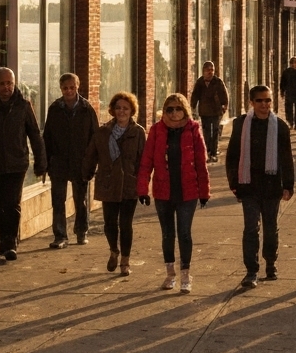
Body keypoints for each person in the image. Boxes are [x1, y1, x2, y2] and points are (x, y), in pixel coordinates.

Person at [0, 67, 47, 261]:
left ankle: (10, 242)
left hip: (16, 164)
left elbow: (35, 135)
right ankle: (5, 238)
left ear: (15, 83)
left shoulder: (23, 105)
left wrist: (40, 162)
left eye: (10, 83)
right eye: (3, 84)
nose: (7, 87)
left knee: (12, 204)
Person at [139, 93, 210, 293]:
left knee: (184, 233)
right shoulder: (156, 130)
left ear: (185, 110)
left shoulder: (194, 130)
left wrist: (204, 192)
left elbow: (201, 164)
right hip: (163, 191)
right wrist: (142, 189)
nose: (174, 113)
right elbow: (146, 161)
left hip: (188, 192)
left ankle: (186, 275)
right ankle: (170, 274)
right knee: (167, 234)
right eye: (169, 109)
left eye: (178, 108)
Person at [226, 85, 295, 288]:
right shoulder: (241, 125)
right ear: (251, 103)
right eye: (260, 101)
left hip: (272, 186)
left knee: (271, 228)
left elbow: (286, 159)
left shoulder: (280, 126)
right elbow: (232, 157)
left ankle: (271, 264)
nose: (264, 105)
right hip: (248, 186)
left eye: (268, 100)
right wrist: (234, 185)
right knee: (250, 229)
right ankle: (251, 271)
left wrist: (288, 185)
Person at [81, 92, 145, 276]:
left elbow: (143, 160)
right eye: (118, 108)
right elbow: (91, 155)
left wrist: (142, 184)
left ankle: (125, 260)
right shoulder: (102, 132)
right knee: (109, 223)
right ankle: (113, 251)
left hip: (128, 184)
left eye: (125, 108)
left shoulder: (138, 132)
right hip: (108, 183)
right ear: (112, 110)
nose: (121, 111)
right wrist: (86, 174)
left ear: (132, 110)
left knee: (125, 224)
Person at [43, 73, 100, 248]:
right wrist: (46, 163)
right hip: (59, 162)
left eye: (72, 87)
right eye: (65, 88)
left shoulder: (87, 109)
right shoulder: (54, 109)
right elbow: (47, 137)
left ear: (77, 87)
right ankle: (60, 236)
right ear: (61, 89)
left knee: (81, 201)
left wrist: (92, 163)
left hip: (80, 163)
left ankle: (81, 231)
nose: (69, 91)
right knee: (58, 200)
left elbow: (95, 138)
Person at [190, 61, 230, 163]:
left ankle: (214, 152)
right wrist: (192, 107)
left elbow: (224, 94)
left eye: (212, 70)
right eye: (208, 70)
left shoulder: (218, 82)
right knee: (206, 132)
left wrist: (225, 105)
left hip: (216, 111)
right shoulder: (200, 82)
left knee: (215, 132)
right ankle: (207, 151)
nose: (210, 72)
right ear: (204, 71)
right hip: (204, 111)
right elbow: (195, 95)